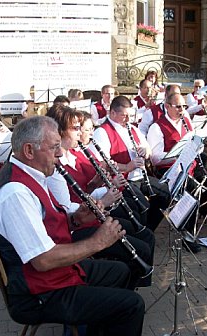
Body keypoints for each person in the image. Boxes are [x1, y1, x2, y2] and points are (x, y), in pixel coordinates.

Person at [0, 115, 145, 335]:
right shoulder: (15, 193)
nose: (60, 154)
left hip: (51, 275)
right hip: (38, 294)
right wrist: (98, 242)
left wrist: (76, 219)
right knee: (131, 305)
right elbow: (43, 260)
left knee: (120, 271)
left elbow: (45, 224)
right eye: (54, 148)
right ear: (29, 151)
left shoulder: (30, 174)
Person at [45, 105, 154, 287]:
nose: (80, 133)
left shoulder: (75, 154)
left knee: (145, 234)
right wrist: (103, 198)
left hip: (95, 213)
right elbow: (67, 209)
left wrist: (98, 185)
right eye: (75, 128)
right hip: (77, 228)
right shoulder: (55, 168)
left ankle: (132, 286)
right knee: (140, 248)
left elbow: (84, 189)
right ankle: (128, 291)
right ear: (60, 131)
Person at [147, 93, 207, 251]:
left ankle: (195, 215)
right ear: (167, 106)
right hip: (171, 171)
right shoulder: (156, 127)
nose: (182, 110)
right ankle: (186, 234)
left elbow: (195, 143)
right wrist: (177, 153)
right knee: (191, 192)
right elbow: (156, 159)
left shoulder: (186, 121)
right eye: (178, 106)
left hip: (191, 166)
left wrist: (197, 145)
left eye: (184, 106)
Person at [92, 95, 171, 232]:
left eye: (130, 115)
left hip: (140, 176)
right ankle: (140, 232)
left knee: (165, 194)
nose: (128, 120)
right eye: (124, 116)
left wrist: (145, 151)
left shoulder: (132, 129)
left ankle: (148, 230)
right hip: (122, 181)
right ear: (112, 113)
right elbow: (101, 164)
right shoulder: (102, 132)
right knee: (143, 205)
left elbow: (148, 150)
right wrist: (127, 167)